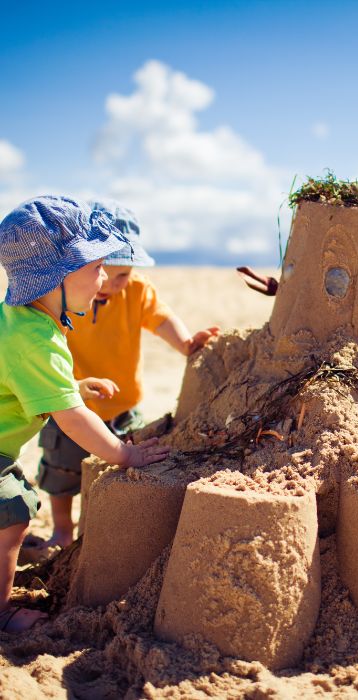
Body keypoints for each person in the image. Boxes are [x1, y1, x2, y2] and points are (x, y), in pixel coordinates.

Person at [0, 196, 170, 633]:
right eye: (95, 266)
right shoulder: (37, 339)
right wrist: (124, 455)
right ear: (55, 276)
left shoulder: (19, 320)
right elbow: (72, 420)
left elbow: (21, 384)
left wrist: (70, 387)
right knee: (13, 516)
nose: (103, 278)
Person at [28, 199, 219, 556]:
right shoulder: (69, 294)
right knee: (62, 470)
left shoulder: (137, 291)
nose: (111, 284)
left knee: (123, 465)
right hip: (70, 401)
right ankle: (63, 530)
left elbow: (160, 319)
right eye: (103, 270)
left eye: (123, 275)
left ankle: (96, 529)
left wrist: (186, 343)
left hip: (124, 406)